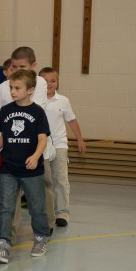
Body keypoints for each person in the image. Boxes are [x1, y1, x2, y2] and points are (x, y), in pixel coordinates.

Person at [0, 69, 50, 264]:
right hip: (8, 168)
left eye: (17, 88)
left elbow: (42, 139)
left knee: (37, 207)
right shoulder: (6, 110)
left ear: (30, 90)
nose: (13, 91)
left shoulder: (38, 112)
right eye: (11, 88)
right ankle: (2, 244)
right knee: (5, 207)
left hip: (31, 169)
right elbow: (4, 136)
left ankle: (41, 238)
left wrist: (35, 156)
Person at [39, 67, 87, 227]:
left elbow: (71, 121)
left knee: (60, 179)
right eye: (45, 81)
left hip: (59, 144)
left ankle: (62, 213)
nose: (49, 84)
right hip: (41, 146)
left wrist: (80, 139)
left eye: (53, 81)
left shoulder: (63, 101)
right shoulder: (34, 100)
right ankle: (47, 212)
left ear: (57, 82)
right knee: (45, 181)